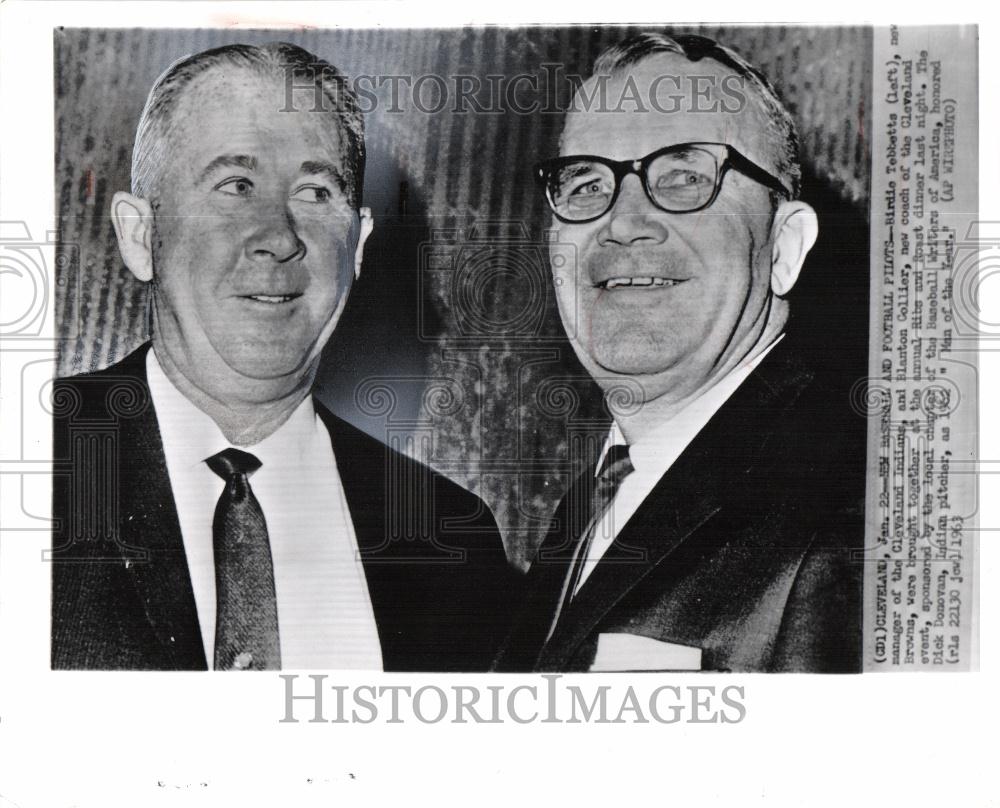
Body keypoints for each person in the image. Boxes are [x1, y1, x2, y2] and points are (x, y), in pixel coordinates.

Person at [51, 42, 517, 672]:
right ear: (140, 236)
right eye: (235, 185)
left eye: (315, 192)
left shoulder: (453, 540)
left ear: (358, 246)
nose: (278, 236)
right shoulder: (32, 462)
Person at [493, 33, 865, 673]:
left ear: (784, 248)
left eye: (685, 175)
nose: (624, 219)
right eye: (584, 183)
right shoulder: (599, 496)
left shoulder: (858, 505)